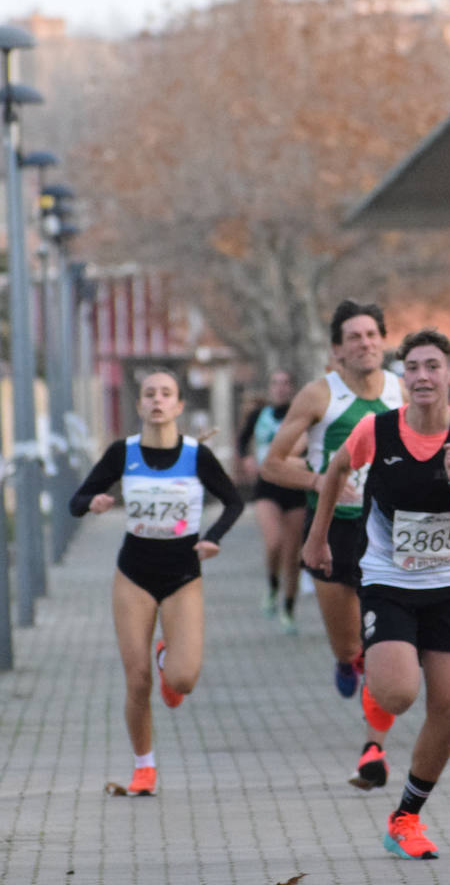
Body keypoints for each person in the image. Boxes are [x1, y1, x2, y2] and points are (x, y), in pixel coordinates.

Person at [302, 329, 450, 860]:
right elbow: (336, 469)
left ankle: (406, 817)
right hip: (388, 582)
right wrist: (317, 537)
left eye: (433, 366)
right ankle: (377, 685)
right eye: (412, 368)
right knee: (398, 694)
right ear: (403, 378)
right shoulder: (377, 429)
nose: (422, 377)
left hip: (449, 587)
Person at [69, 368, 245, 795]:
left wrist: (212, 539)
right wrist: (93, 501)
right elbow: (75, 501)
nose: (157, 400)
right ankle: (144, 767)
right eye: (149, 394)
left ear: (179, 405)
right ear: (139, 405)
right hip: (134, 573)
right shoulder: (121, 452)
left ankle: (170, 659)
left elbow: (234, 502)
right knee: (137, 679)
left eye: (166, 394)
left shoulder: (196, 455)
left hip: (183, 573)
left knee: (182, 680)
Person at [262, 300, 403, 788]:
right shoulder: (320, 395)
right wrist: (322, 480)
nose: (365, 343)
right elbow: (273, 464)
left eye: (372, 335)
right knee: (348, 645)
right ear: (337, 349)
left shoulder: (405, 392)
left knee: (385, 643)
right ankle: (347, 660)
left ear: (382, 341)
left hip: (390, 536)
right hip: (332, 531)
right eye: (354, 337)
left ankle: (372, 749)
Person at [236, 368, 304, 632]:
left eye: (286, 383)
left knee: (293, 556)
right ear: (270, 388)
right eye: (276, 383)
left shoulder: (301, 415)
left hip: (296, 488)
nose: (280, 388)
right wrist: (247, 458)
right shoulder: (259, 415)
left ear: (293, 388)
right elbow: (242, 440)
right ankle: (272, 586)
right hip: (267, 487)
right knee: (274, 541)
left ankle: (288, 608)